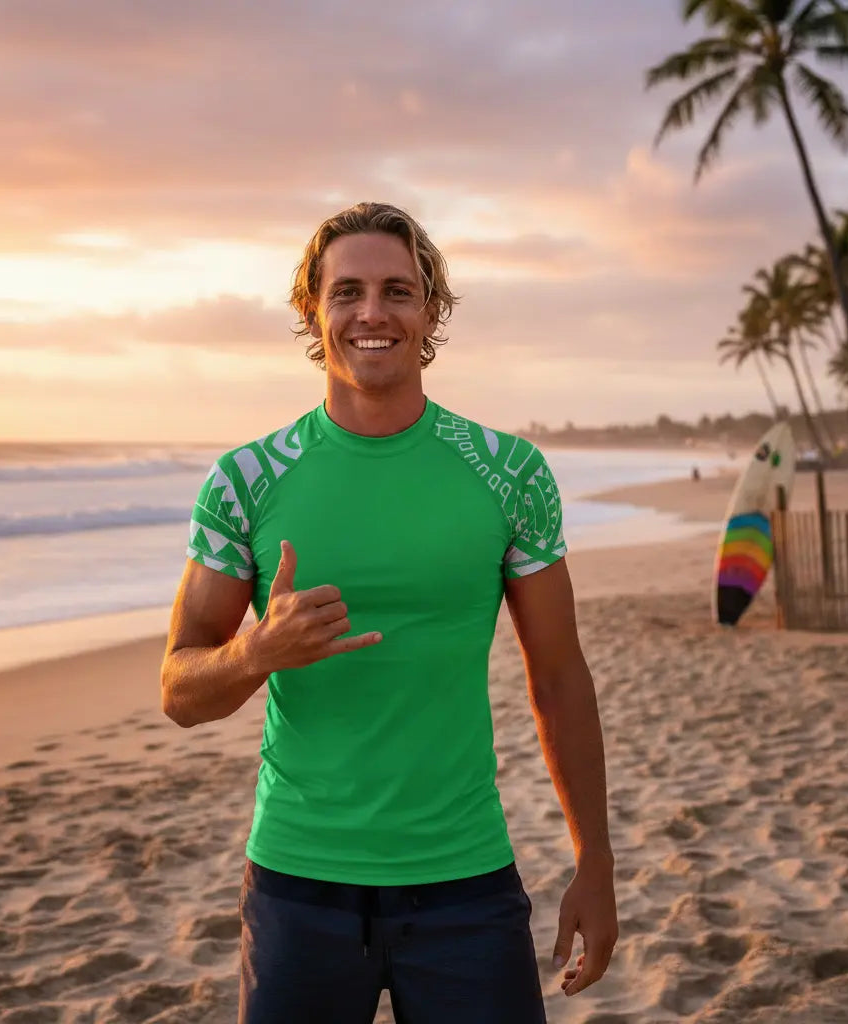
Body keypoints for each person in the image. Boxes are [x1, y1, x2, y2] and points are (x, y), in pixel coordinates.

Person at [161, 202, 618, 1023]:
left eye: (398, 291)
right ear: (313, 311)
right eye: (348, 293)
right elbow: (179, 690)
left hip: (464, 883)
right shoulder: (245, 481)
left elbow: (558, 676)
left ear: (431, 311)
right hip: (298, 888)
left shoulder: (509, 474)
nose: (372, 313)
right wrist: (253, 654)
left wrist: (596, 861)